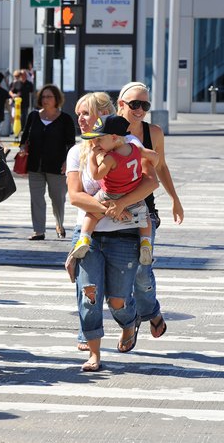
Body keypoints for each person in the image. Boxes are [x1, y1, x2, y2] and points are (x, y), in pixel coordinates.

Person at [66, 110, 160, 372]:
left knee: (118, 300)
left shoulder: (128, 146)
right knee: (90, 294)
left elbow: (152, 180)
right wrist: (107, 207)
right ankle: (94, 354)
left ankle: (129, 321)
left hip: (123, 232)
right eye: (80, 115)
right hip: (91, 234)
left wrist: (120, 204)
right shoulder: (78, 152)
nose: (83, 121)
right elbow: (75, 196)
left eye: (88, 114)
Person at [118, 81, 184, 338]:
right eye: (135, 104)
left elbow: (162, 167)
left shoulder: (153, 132)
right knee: (117, 275)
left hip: (144, 209)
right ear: (122, 103)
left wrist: (175, 199)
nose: (140, 110)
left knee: (142, 271)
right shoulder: (110, 128)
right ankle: (129, 321)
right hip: (111, 208)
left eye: (144, 105)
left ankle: (151, 312)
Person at [71, 114, 158, 265]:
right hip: (132, 193)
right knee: (145, 218)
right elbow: (154, 156)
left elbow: (97, 175)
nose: (96, 142)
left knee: (91, 214)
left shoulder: (110, 158)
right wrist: (154, 162)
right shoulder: (135, 149)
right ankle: (146, 243)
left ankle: (84, 238)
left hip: (109, 194)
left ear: (114, 137)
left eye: (99, 139)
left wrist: (92, 157)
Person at [18, 84, 76, 240]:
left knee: (57, 199)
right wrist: (22, 148)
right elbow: (24, 138)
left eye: (49, 96)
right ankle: (39, 230)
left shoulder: (65, 119)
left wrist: (67, 162)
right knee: (36, 198)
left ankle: (59, 223)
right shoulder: (33, 116)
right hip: (35, 165)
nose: (45, 100)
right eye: (43, 97)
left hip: (57, 166)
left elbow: (71, 144)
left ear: (57, 99)